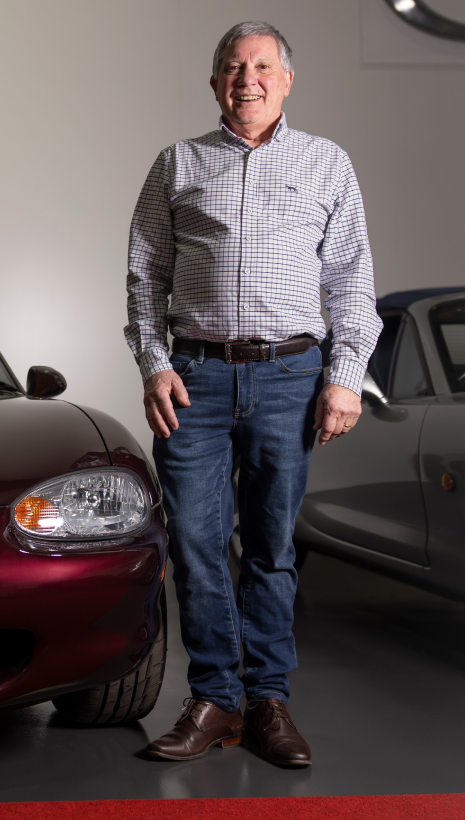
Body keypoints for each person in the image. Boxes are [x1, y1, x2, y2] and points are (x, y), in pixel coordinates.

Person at [124, 21, 381, 767]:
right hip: (194, 381)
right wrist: (153, 364)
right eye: (234, 68)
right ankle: (214, 700)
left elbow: (352, 281)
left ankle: (268, 702)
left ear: (287, 79)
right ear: (214, 83)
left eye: (263, 66)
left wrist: (342, 376)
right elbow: (146, 276)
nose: (248, 79)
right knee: (198, 547)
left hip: (290, 377)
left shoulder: (327, 164)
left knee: (270, 549)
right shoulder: (178, 164)